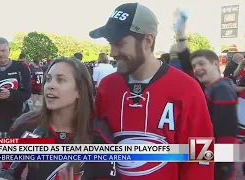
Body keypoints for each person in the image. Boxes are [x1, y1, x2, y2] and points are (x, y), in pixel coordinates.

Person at [89, 2, 214, 180]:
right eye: (110, 44)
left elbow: (201, 156)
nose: (112, 52)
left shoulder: (187, 89)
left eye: (120, 43)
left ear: (147, 41)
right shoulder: (106, 87)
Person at [0, 57, 117, 180]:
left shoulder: (100, 134)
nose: (50, 85)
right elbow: (8, 172)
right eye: (48, 79)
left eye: (60, 80)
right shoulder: (25, 125)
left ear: (79, 90)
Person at [190, 50, 238, 180]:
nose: (197, 69)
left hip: (215, 162)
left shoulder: (221, 90)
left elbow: (227, 133)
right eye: (194, 66)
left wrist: (222, 168)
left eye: (201, 64)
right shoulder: (212, 87)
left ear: (216, 64)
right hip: (204, 152)